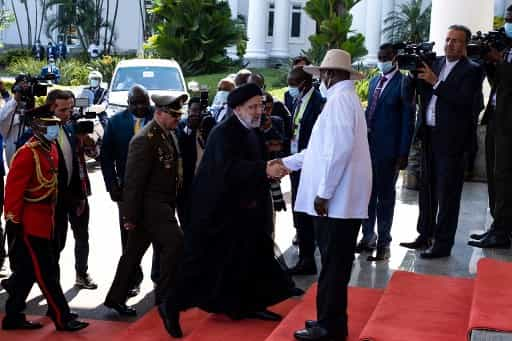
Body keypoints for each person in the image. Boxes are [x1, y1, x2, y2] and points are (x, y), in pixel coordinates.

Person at [159, 83, 300, 338]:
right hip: (216, 214)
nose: (259, 111)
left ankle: (248, 305)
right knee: (203, 266)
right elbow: (228, 170)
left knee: (249, 258)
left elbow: (255, 164)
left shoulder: (253, 130)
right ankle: (171, 306)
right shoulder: (223, 133)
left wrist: (270, 169)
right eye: (253, 107)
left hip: (246, 210)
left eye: (261, 105)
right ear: (237, 108)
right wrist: (263, 169)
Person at [278, 49, 371, 341]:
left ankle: (329, 328)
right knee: (333, 265)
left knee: (333, 267)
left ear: (330, 75)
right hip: (337, 203)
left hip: (336, 204)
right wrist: (285, 164)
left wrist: (323, 193)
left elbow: (338, 152)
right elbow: (319, 151)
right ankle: (329, 321)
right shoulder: (340, 100)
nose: (319, 81)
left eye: (320, 75)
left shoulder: (341, 102)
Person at [1, 105, 89, 332]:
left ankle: (12, 315)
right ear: (37, 127)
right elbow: (13, 192)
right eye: (49, 126)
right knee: (47, 272)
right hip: (30, 223)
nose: (54, 129)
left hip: (46, 219)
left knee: (27, 273)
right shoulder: (27, 153)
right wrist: (14, 222)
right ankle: (62, 317)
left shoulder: (49, 150)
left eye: (55, 125)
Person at [399, 25, 483, 258]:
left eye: (456, 41)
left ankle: (442, 244)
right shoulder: (433, 63)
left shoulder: (472, 70)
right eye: (447, 39)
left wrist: (436, 82)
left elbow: (463, 101)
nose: (450, 44)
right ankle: (424, 235)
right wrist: (410, 74)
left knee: (447, 195)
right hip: (429, 137)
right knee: (426, 192)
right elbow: (408, 97)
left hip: (453, 142)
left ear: (465, 46)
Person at [104, 93, 187, 316]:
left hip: (161, 204)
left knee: (132, 254)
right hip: (151, 205)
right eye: (174, 114)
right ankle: (165, 295)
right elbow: (133, 182)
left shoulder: (166, 133)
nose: (178, 118)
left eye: (179, 114)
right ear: (159, 113)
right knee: (175, 243)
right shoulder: (145, 139)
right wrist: (129, 216)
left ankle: (115, 298)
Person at [356, 43, 415, 261]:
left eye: (386, 57)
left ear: (395, 58)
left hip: (389, 151)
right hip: (367, 149)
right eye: (380, 57)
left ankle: (384, 242)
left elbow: (408, 120)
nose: (382, 61)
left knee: (385, 197)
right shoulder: (373, 82)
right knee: (367, 195)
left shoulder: (403, 83)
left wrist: (403, 152)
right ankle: (367, 236)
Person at [100, 85, 154, 302]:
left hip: (156, 191)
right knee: (130, 237)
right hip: (127, 192)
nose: (140, 107)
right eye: (135, 103)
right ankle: (133, 279)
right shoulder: (115, 122)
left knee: (161, 237)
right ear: (128, 103)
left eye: (144, 102)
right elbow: (106, 158)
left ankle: (160, 278)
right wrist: (112, 185)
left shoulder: (158, 118)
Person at [468, 6, 512, 249]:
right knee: (495, 176)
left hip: (509, 124)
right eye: (506, 20)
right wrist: (489, 62)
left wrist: (500, 60)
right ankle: (498, 225)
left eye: (510, 21)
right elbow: (499, 82)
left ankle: (503, 231)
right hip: (496, 119)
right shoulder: (506, 49)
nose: (507, 25)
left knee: (505, 175)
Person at [47, 90, 97, 290]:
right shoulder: (42, 131)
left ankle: (81, 273)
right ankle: (51, 283)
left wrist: (87, 141)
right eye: (63, 109)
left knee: (82, 235)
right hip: (54, 198)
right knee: (56, 242)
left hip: (78, 193)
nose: (68, 113)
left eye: (71, 108)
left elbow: (92, 155)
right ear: (51, 107)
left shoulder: (71, 129)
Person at [286, 66, 325, 275]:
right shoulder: (296, 100)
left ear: (305, 83)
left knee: (308, 213)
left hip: (310, 163)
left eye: (293, 84)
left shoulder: (318, 103)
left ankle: (309, 257)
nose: (290, 88)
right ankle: (305, 257)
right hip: (296, 162)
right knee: (298, 211)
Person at [176, 97, 203, 226]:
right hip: (186, 184)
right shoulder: (181, 126)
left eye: (200, 111)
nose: (196, 114)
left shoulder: (209, 126)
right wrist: (190, 128)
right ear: (188, 111)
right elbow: (179, 145)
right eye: (194, 110)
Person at [0, 75, 31, 165]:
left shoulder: (30, 105)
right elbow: (3, 117)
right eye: (22, 86)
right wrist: (16, 98)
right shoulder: (10, 107)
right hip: (13, 147)